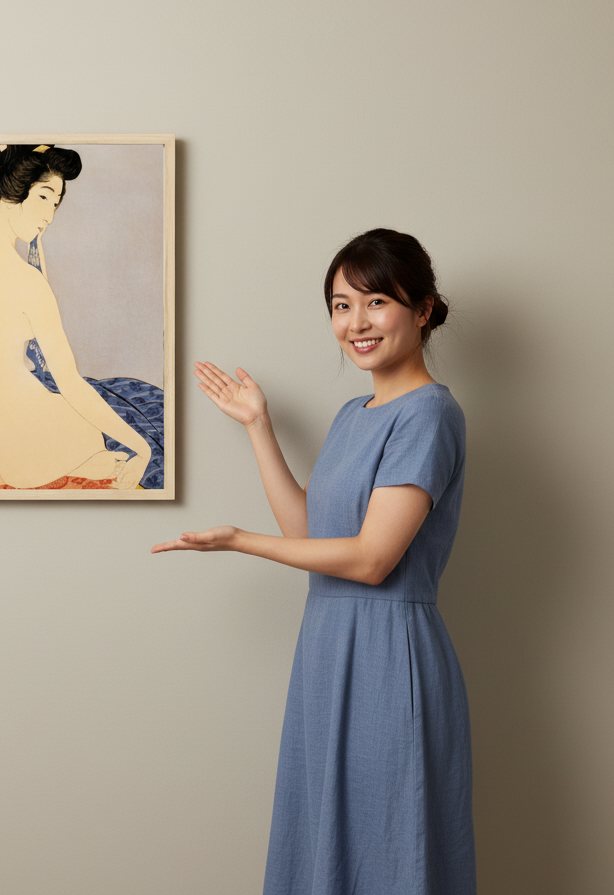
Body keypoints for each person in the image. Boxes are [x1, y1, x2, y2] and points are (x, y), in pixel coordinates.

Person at [153, 228, 476, 894]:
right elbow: (309, 535)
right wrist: (257, 425)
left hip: (388, 652)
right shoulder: (354, 413)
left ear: (422, 310)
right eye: (340, 306)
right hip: (328, 648)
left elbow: (372, 559)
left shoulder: (429, 415)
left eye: (376, 301)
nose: (356, 323)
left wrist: (239, 541)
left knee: (391, 845)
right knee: (324, 837)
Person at [0, 144, 154, 489]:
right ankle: (93, 462)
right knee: (86, 423)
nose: (49, 216)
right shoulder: (26, 280)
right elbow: (69, 381)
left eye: (56, 204)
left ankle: (91, 462)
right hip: (22, 453)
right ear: (11, 190)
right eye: (43, 197)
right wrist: (142, 449)